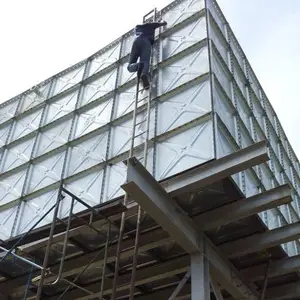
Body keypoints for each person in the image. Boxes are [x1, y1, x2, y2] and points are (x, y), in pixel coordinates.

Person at [127, 20, 167, 90]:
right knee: (145, 61)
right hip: (146, 42)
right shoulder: (150, 25)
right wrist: (163, 23)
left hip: (136, 42)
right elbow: (158, 24)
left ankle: (138, 65)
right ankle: (143, 73)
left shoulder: (137, 27)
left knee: (129, 66)